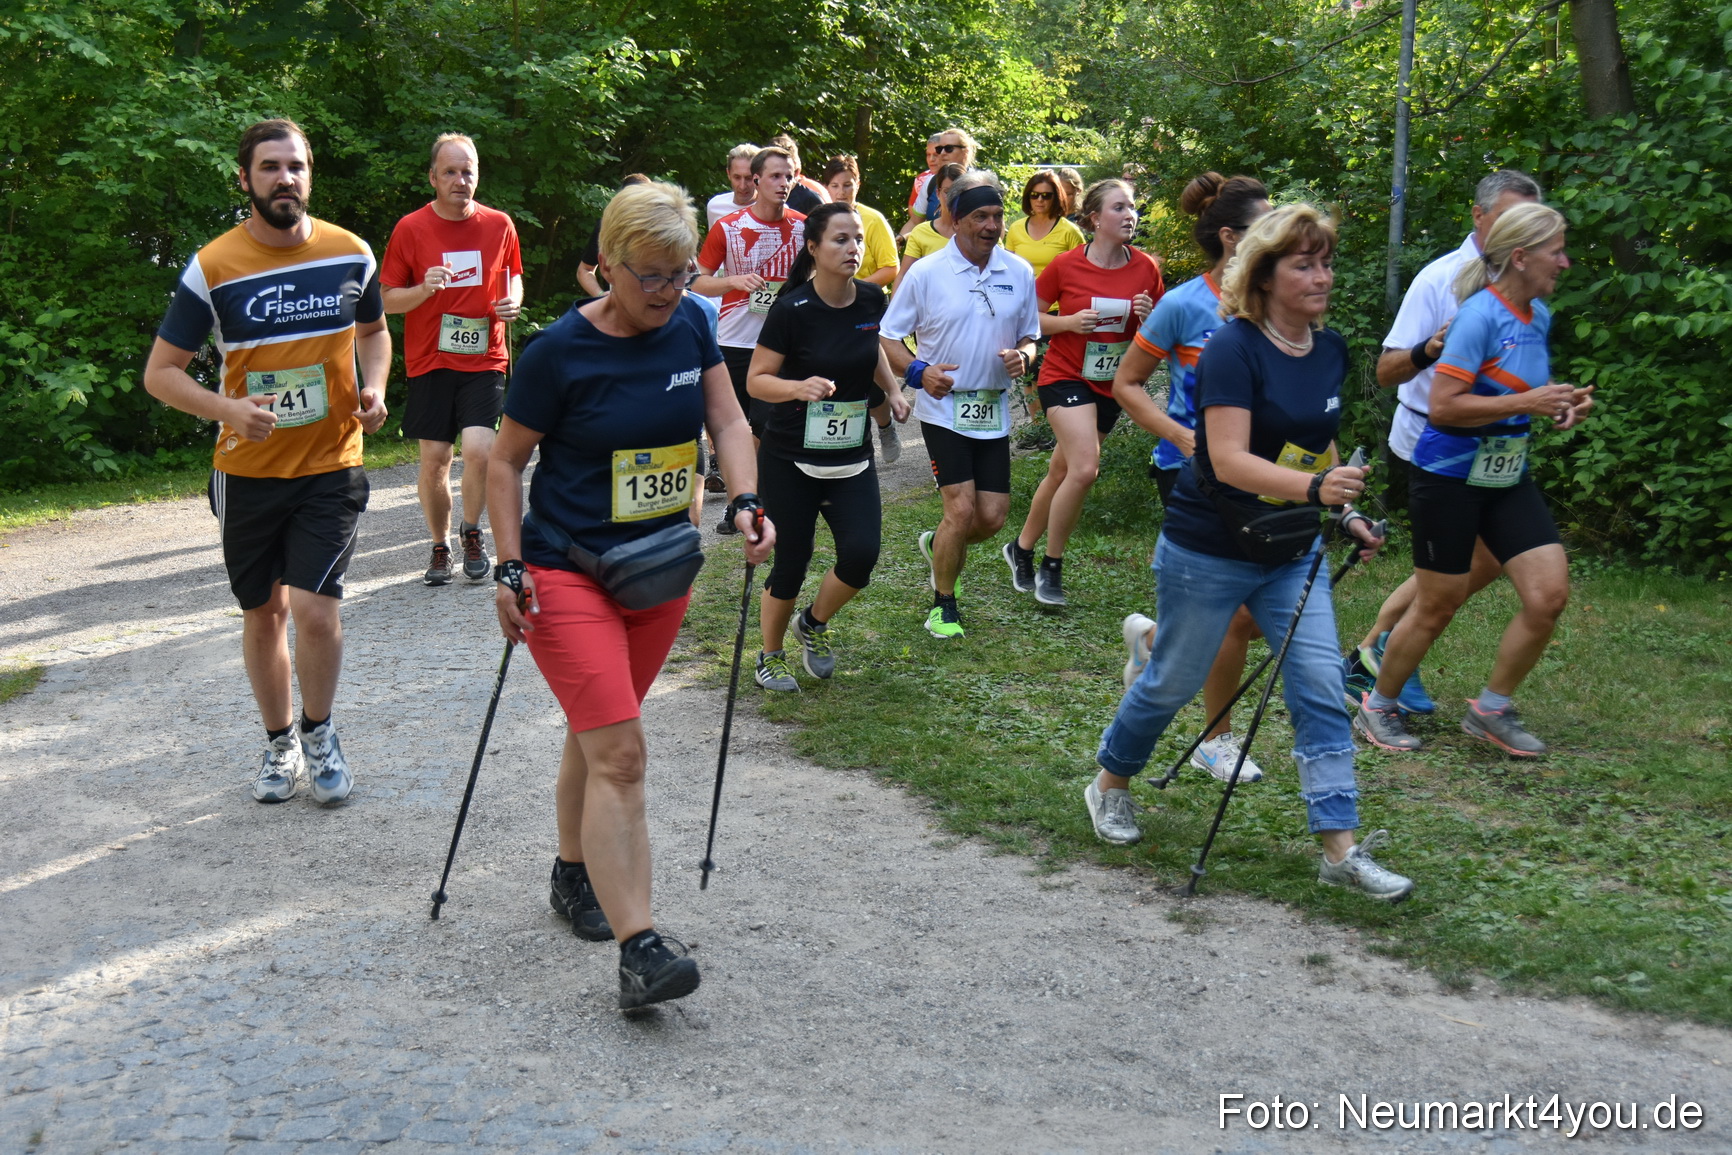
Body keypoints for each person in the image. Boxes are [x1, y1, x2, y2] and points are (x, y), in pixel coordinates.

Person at [487, 181, 775, 1010]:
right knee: (621, 750)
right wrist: (509, 565)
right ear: (607, 265)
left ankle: (573, 871)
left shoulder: (692, 320)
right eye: (650, 275)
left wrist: (747, 499)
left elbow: (727, 422)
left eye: (681, 272)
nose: (668, 291)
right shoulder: (556, 353)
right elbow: (502, 463)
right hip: (566, 570)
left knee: (597, 729)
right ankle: (640, 947)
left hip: (658, 568)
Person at [1084, 203, 1414, 903]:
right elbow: (1227, 460)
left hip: (1291, 550)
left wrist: (1345, 507)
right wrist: (1318, 486)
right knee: (1172, 682)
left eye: (1326, 261)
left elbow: (1317, 438)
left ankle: (1340, 847)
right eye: (1305, 263)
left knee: (1322, 689)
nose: (1323, 275)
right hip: (1210, 544)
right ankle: (1109, 782)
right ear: (1263, 277)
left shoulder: (1330, 348)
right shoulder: (1233, 346)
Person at [142, 119, 388, 805]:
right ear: (245, 179)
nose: (286, 178)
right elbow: (161, 374)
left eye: (297, 166)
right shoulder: (213, 265)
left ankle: (320, 731)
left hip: (330, 465)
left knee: (314, 610)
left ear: (311, 175)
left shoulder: (350, 254)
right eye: (271, 167)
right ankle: (279, 741)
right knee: (265, 613)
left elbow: (374, 333)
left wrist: (375, 388)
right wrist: (227, 411)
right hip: (246, 471)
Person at [1354, 203, 1592, 758]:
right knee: (1439, 603)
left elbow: (1518, 387)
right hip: (1448, 477)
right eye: (1557, 251)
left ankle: (1490, 708)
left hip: (1506, 474)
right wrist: (1530, 401)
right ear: (1521, 257)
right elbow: (1443, 407)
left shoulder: (1538, 317)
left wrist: (1557, 402)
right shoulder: (1477, 317)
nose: (1566, 262)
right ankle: (1378, 705)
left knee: (1549, 595)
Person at [1343, 170, 1544, 715]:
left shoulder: (1528, 291)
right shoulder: (1442, 279)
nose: (1519, 234)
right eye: (1507, 219)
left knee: (1481, 562)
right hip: (1433, 437)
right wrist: (1430, 351)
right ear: (1479, 217)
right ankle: (1375, 655)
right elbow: (1386, 370)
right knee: (1449, 575)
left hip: (1497, 449)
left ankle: (1376, 651)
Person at [1110, 172, 1273, 782]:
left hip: (1264, 473)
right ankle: (1217, 739)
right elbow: (1126, 383)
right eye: (1265, 230)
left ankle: (1154, 641)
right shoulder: (1183, 304)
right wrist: (1177, 434)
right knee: (1233, 613)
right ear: (1230, 238)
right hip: (1192, 473)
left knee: (1251, 615)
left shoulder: (1278, 302)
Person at [747, 203, 910, 690]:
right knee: (791, 561)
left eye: (857, 239)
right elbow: (757, 381)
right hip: (789, 458)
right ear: (813, 248)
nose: (853, 248)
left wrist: (895, 391)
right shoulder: (792, 309)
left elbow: (875, 347)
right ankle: (770, 656)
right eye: (840, 240)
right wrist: (798, 388)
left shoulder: (870, 300)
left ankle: (813, 624)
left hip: (851, 457)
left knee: (861, 555)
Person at [880, 172, 1040, 639]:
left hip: (993, 408)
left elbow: (1031, 333)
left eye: (997, 216)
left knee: (991, 517)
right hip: (943, 410)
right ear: (954, 219)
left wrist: (1025, 355)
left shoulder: (1018, 271)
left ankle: (938, 544)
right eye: (980, 216)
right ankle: (943, 604)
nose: (991, 225)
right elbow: (888, 335)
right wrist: (917, 372)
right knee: (961, 509)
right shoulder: (929, 272)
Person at [1005, 179, 1160, 607]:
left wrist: (1149, 318)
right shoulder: (1067, 266)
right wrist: (1070, 322)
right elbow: (1029, 319)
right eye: (1119, 208)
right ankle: (1051, 566)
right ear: (1094, 218)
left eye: (1132, 207)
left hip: (1112, 383)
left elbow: (1160, 333)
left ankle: (1020, 547)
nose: (1130, 215)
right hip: (1065, 375)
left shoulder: (1146, 267)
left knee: (1062, 471)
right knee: (1085, 468)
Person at [381, 132, 524, 585]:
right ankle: (440, 544)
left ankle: (471, 531)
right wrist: (423, 289)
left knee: (481, 450)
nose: (460, 180)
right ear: (433, 178)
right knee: (436, 458)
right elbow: (386, 300)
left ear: (477, 176)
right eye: (450, 172)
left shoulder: (499, 224)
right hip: (431, 359)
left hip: (485, 356)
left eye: (468, 172)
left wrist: (513, 302)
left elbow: (514, 276)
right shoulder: (410, 229)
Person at [694, 146, 807, 532]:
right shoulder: (727, 226)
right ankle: (738, 505)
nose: (784, 182)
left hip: (781, 344)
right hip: (735, 341)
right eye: (775, 175)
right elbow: (697, 280)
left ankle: (761, 500)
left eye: (789, 175)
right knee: (736, 428)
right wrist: (733, 281)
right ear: (756, 180)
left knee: (767, 425)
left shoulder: (805, 226)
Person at [819, 154, 905, 465]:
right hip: (826, 307)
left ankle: (884, 425)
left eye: (848, 185)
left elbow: (890, 267)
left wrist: (853, 287)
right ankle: (841, 440)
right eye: (835, 185)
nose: (841, 192)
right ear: (826, 187)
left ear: (859, 185)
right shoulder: (817, 219)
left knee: (867, 372)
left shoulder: (873, 220)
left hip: (865, 305)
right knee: (834, 373)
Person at [578, 174, 653, 297]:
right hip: (621, 308)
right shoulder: (607, 226)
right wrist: (600, 295)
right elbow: (585, 270)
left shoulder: (663, 227)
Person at [1003, 171, 1085, 281]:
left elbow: (1082, 273)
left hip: (1057, 297)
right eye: (1034, 195)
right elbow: (1008, 269)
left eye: (1046, 196)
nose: (1040, 200)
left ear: (1056, 197)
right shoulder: (1015, 228)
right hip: (1022, 296)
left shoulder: (1070, 231)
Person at [894, 163, 965, 288]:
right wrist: (895, 306)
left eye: (959, 192)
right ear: (938, 193)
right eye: (947, 192)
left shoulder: (980, 232)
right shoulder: (921, 232)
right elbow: (904, 277)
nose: (953, 197)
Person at [902, 129, 977, 237]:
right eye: (939, 149)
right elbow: (914, 222)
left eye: (948, 149)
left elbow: (995, 225)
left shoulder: (980, 183)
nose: (942, 153)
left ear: (965, 151)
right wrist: (900, 240)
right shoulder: (930, 182)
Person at [772, 134, 831, 215]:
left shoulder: (811, 201)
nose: (782, 182)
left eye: (787, 176)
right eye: (775, 175)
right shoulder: (759, 195)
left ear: (796, 172)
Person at [705, 144, 760, 229]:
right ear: (728, 174)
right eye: (737, 178)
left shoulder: (775, 210)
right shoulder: (715, 206)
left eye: (749, 178)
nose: (742, 186)